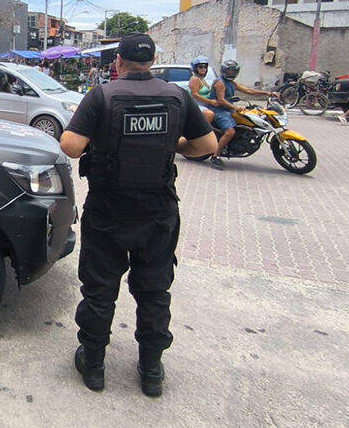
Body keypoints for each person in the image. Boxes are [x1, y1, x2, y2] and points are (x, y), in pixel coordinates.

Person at [59, 33, 217, 397]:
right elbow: (207, 146)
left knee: (100, 290)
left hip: (109, 211)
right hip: (158, 212)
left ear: (118, 62)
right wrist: (171, 143)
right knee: (155, 291)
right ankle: (151, 370)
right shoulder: (178, 96)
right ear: (153, 61)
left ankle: (94, 365)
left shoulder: (102, 95)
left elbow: (70, 145)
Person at [207, 60, 277, 169]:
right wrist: (235, 107)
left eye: (233, 71)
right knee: (230, 132)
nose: (231, 73)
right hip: (218, 110)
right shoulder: (220, 83)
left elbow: (248, 91)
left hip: (228, 109)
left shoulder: (232, 83)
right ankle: (216, 156)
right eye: (229, 70)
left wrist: (268, 93)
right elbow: (221, 100)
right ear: (224, 71)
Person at [187, 56, 215, 125]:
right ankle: (204, 132)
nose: (203, 69)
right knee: (210, 114)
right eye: (200, 67)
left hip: (205, 105)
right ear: (195, 68)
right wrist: (210, 101)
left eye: (205, 67)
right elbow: (195, 94)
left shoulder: (202, 79)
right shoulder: (194, 79)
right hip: (196, 105)